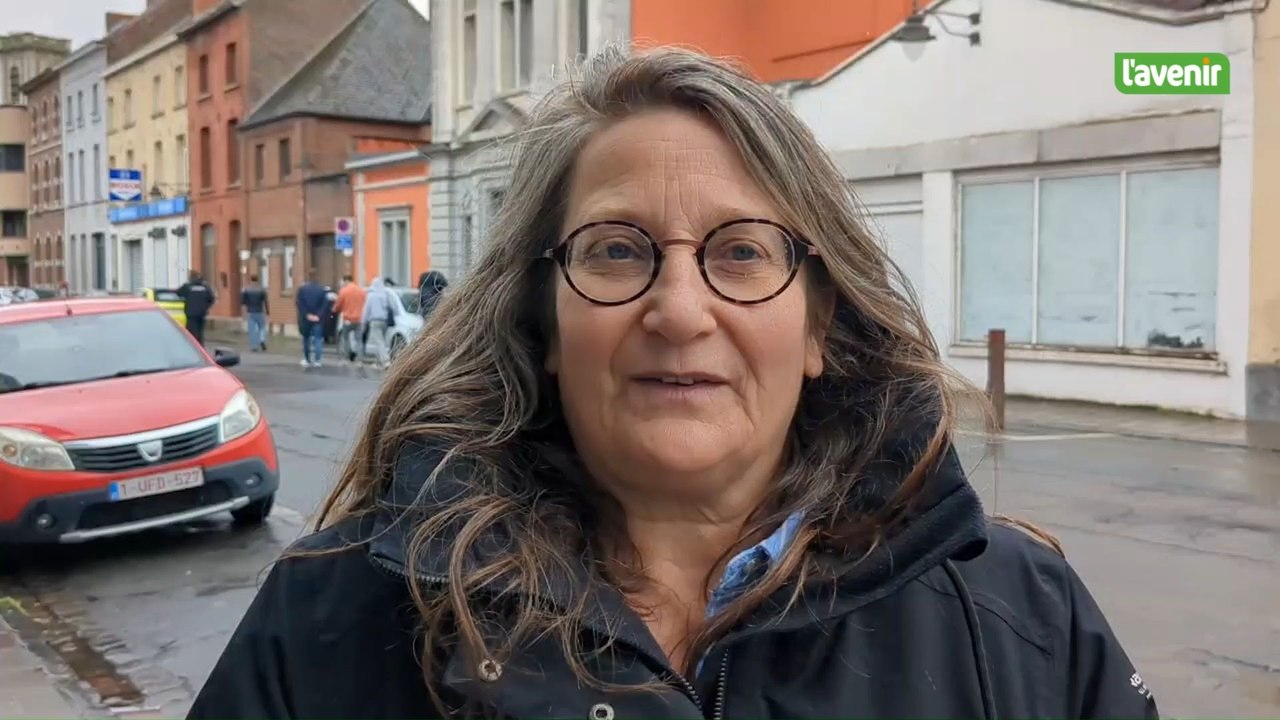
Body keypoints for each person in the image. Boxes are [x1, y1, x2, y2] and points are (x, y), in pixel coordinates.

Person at [189, 47, 1158, 720]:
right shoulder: (337, 615)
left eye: (740, 253)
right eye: (616, 251)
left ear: (818, 324)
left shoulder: (1018, 613)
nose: (680, 311)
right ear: (546, 325)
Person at [294, 269, 328, 368]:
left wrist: (307, 315)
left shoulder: (302, 289)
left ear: (308, 276)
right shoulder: (322, 289)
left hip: (306, 319)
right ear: (317, 277)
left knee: (306, 339)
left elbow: (299, 303)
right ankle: (318, 360)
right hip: (318, 319)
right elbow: (325, 304)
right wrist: (318, 315)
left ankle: (307, 359)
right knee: (318, 339)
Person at [358, 276, 393, 369]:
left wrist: (363, 321)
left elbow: (366, 310)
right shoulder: (385, 295)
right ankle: (378, 362)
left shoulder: (371, 296)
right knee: (381, 341)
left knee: (379, 341)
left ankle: (386, 361)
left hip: (375, 321)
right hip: (384, 322)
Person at [331, 275, 366, 363]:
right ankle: (360, 359)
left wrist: (334, 309)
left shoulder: (344, 291)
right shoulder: (361, 291)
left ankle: (346, 358)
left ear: (346, 281)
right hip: (359, 319)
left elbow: (338, 305)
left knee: (345, 338)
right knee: (359, 340)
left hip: (348, 319)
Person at [175, 271, 215, 346]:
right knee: (200, 332)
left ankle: (194, 349)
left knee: (192, 333)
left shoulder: (187, 286)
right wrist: (205, 307)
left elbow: (178, 293)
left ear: (190, 278)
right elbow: (211, 298)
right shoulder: (205, 287)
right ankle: (201, 347)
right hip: (201, 314)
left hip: (191, 313)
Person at [240, 274, 269, 352]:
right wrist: (267, 312)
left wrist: (243, 314)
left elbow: (242, 302)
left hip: (250, 312)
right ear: (258, 280)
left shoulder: (246, 290)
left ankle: (254, 346)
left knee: (252, 330)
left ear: (250, 280)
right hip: (259, 311)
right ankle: (262, 339)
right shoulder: (262, 290)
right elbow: (265, 302)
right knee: (262, 327)